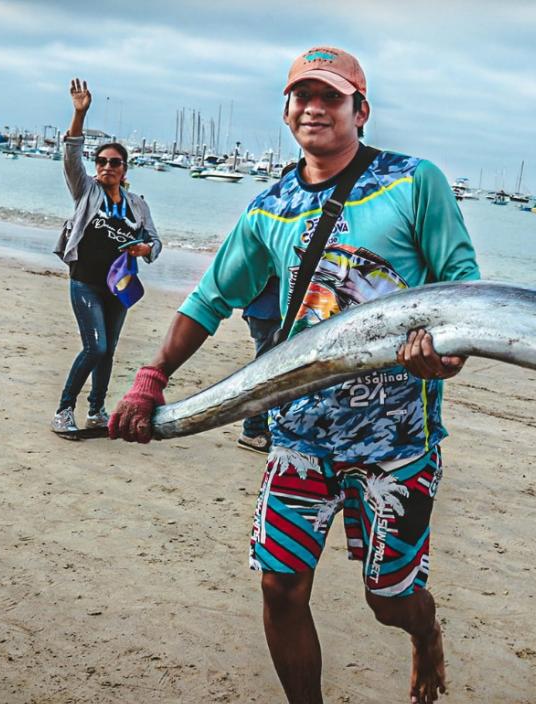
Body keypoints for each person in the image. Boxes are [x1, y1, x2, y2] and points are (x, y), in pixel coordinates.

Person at [109, 47, 478, 704]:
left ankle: (424, 635)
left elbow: (461, 289)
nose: (314, 107)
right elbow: (209, 300)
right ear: (286, 110)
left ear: (360, 111)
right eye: (301, 95)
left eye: (330, 96)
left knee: (388, 599)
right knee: (280, 587)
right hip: (300, 433)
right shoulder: (269, 209)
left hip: (397, 442)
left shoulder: (416, 182)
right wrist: (151, 376)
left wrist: (446, 353)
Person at [51, 78, 160, 435]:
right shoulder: (86, 192)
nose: (106, 167)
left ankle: (96, 411)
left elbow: (155, 242)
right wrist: (79, 113)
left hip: (119, 287)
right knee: (94, 347)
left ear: (124, 169)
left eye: (114, 162)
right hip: (84, 282)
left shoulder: (137, 204)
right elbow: (70, 154)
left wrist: (146, 249)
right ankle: (64, 411)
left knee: (109, 350)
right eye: (101, 161)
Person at [237, 277, 282, 453]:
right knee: (266, 374)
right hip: (270, 312)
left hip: (261, 310)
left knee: (266, 371)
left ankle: (257, 428)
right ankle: (252, 430)